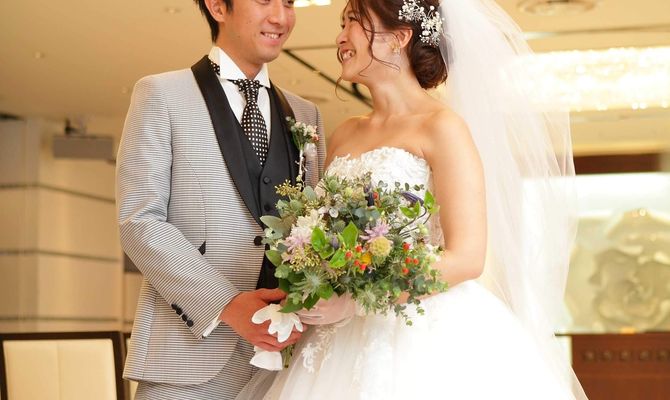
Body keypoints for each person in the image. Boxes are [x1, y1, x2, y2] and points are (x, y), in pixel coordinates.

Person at [237, 0, 588, 398]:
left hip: (421, 335)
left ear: (398, 38)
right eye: (342, 23)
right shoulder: (345, 134)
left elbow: (467, 258)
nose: (340, 37)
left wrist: (354, 302)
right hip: (336, 341)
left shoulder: (442, 127)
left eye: (353, 22)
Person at [116, 0, 327, 397]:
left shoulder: (306, 115)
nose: (281, 17)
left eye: (288, 2)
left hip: (284, 363)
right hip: (187, 360)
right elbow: (139, 221)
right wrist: (226, 304)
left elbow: (314, 231)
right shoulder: (162, 94)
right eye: (264, 1)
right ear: (217, 6)